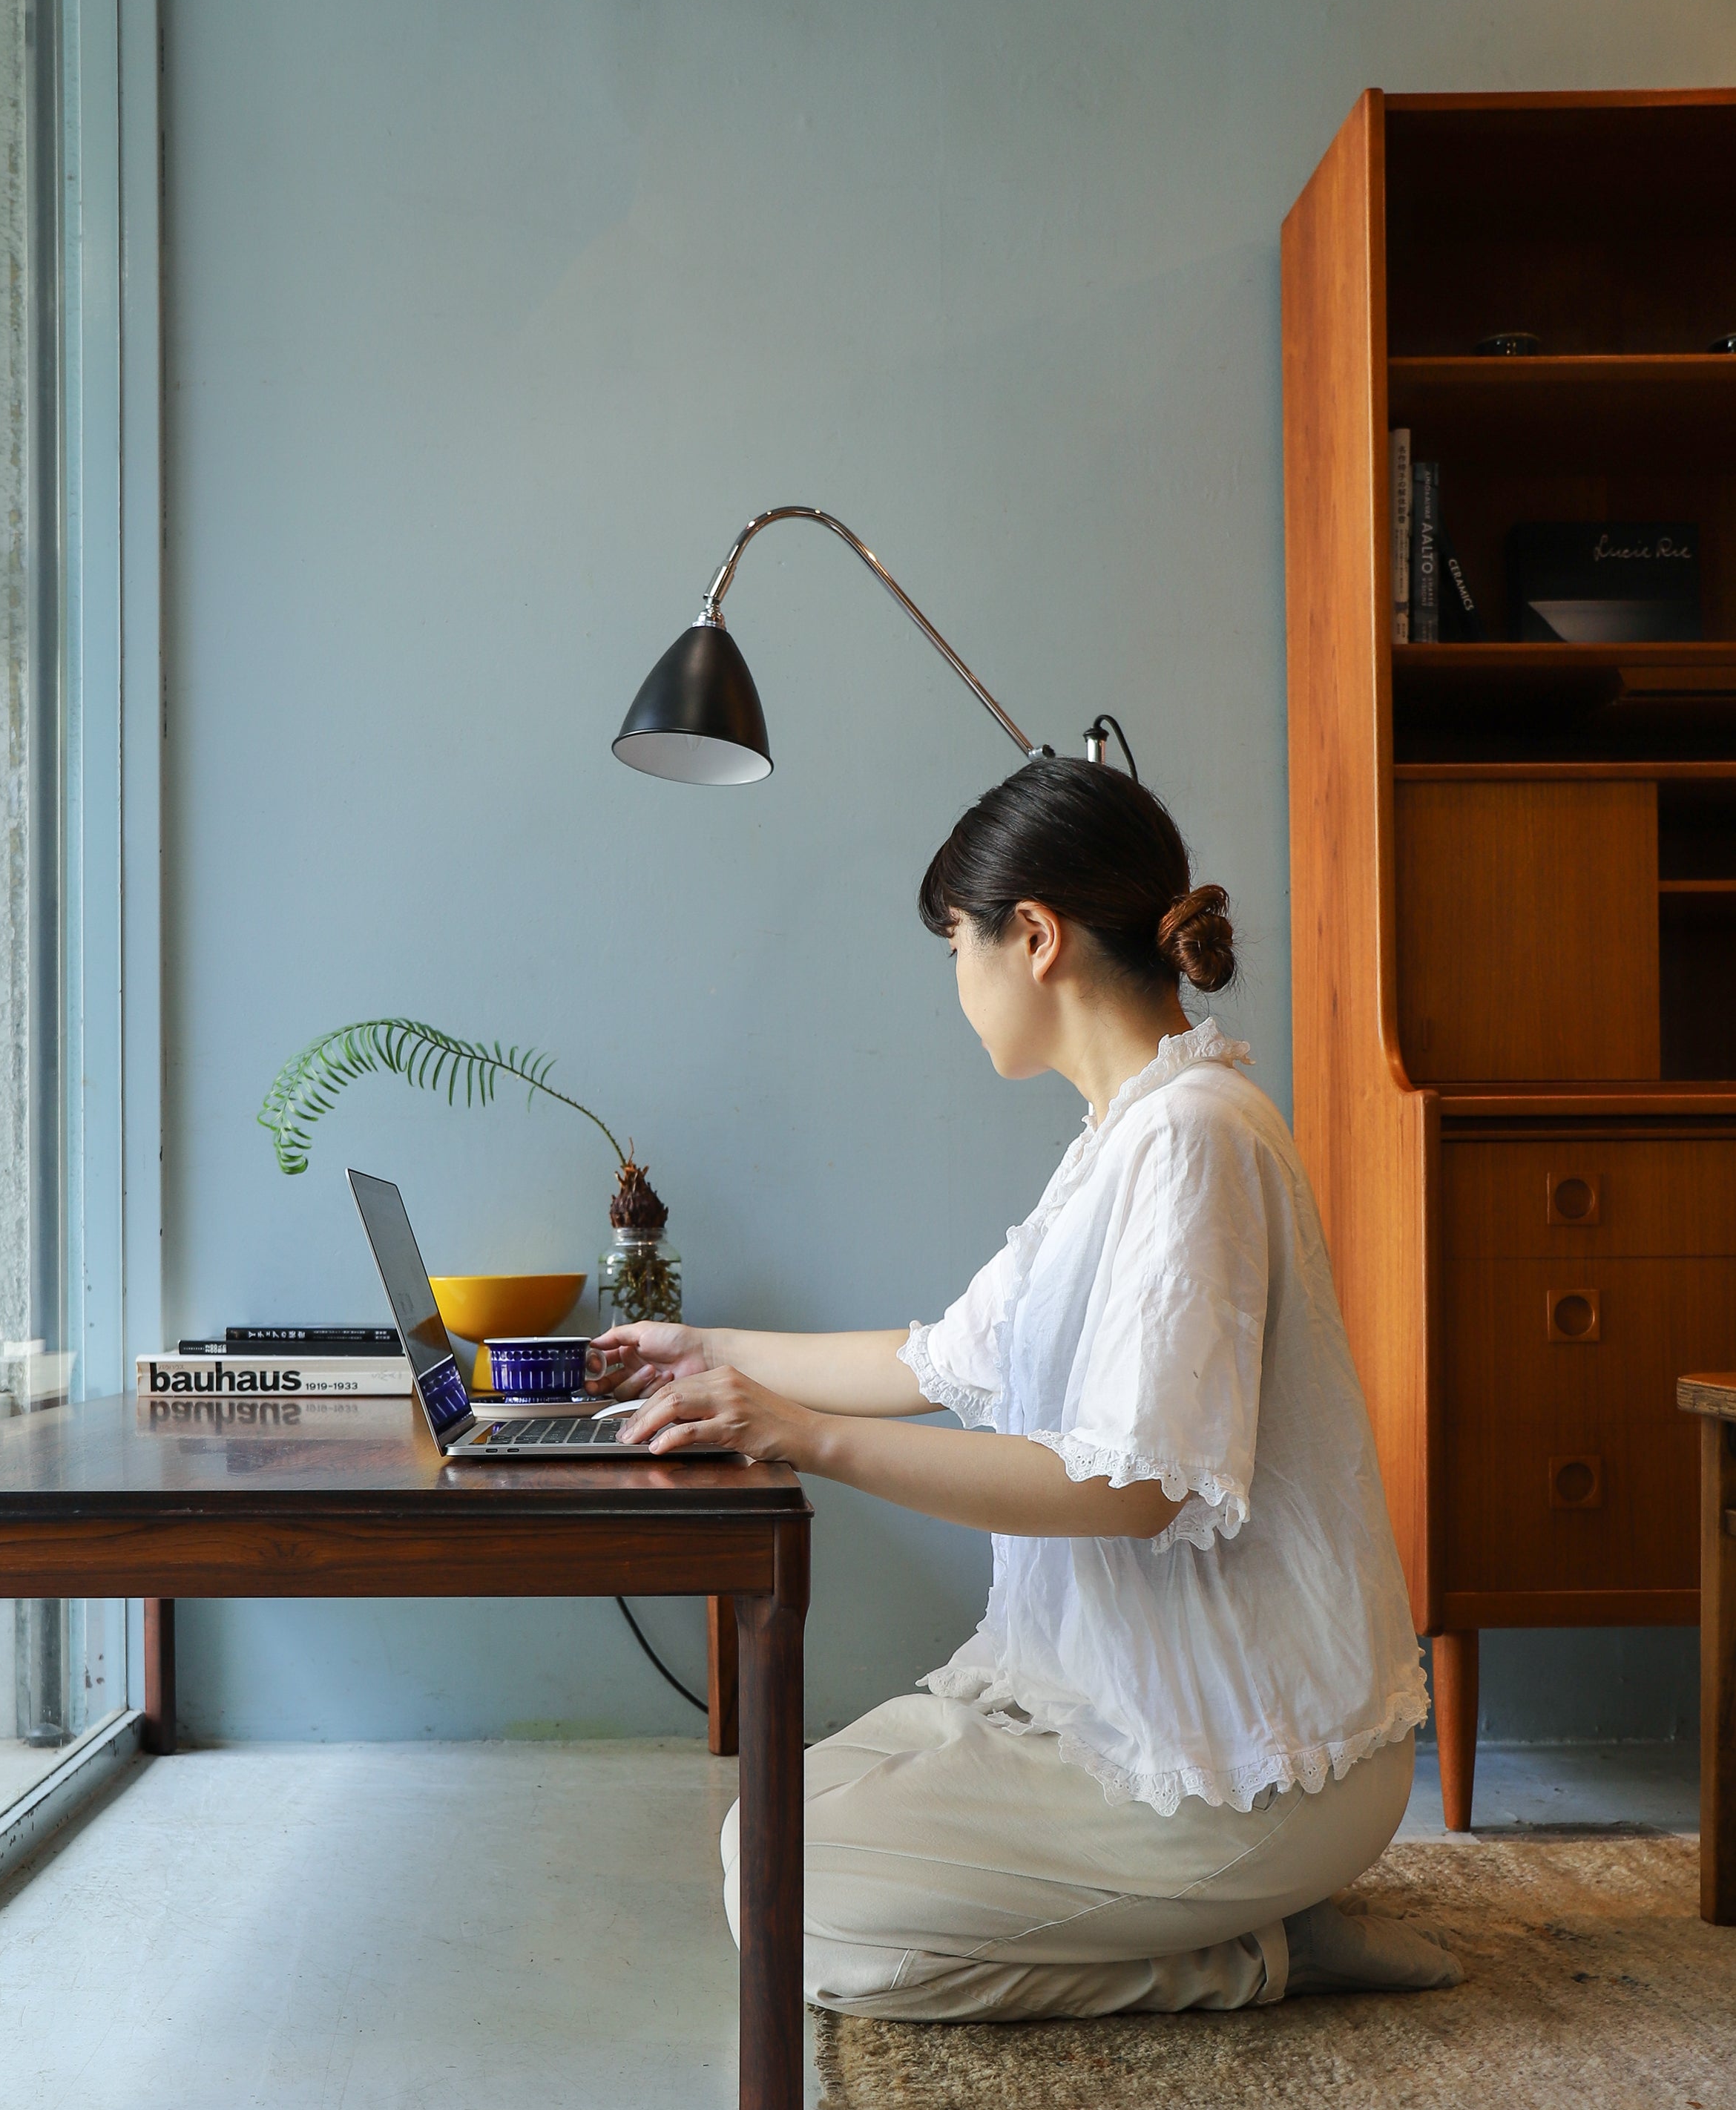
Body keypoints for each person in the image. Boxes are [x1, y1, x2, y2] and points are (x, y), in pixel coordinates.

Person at [588, 757, 1450, 2019]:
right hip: (1100, 1702)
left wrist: (800, 1435)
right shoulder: (1121, 1138)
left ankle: (1250, 1951)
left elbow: (1131, 1488)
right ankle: (1250, 1920)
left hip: (1244, 1764)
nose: (954, 983)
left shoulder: (1193, 1136)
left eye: (955, 945)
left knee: (797, 1915)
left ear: (1032, 937)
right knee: (762, 1843)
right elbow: (935, 1358)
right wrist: (708, 1346)